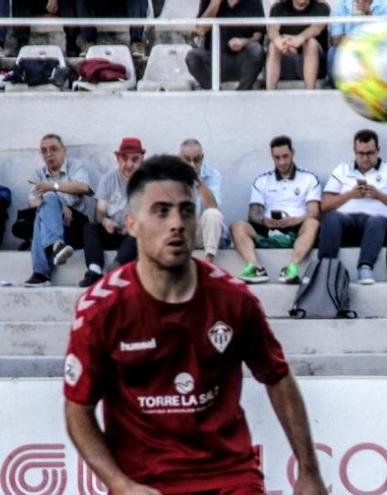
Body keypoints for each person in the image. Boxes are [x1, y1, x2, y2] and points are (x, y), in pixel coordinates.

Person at [63, 155, 327, 494]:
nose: (176, 223)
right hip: (146, 485)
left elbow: (277, 377)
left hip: (229, 478)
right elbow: (78, 410)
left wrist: (309, 471)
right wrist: (120, 484)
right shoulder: (101, 309)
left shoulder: (234, 299)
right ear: (131, 224)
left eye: (186, 211)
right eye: (161, 211)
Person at [318, 129, 387, 284]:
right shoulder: (342, 169)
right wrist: (349, 195)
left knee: (376, 221)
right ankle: (326, 268)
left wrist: (379, 195)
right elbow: (324, 205)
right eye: (361, 153)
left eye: (370, 153)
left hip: (377, 219)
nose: (366, 158)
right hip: (345, 218)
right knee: (331, 218)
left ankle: (365, 267)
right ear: (354, 151)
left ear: (378, 150)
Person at [231, 135, 321, 284]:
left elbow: (314, 211)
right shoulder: (262, 180)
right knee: (237, 226)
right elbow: (253, 213)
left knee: (312, 223)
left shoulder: (309, 178)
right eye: (277, 157)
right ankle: (255, 267)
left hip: (297, 229)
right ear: (272, 157)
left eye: (285, 156)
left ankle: (292, 267)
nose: (282, 162)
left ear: (293, 153)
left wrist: (294, 220)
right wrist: (264, 221)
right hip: (268, 229)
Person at [24, 134, 95, 287]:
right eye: (44, 151)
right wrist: (58, 204)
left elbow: (84, 187)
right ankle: (57, 246)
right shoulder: (39, 174)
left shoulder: (75, 166)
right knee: (43, 208)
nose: (48, 154)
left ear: (64, 150)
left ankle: (41, 273)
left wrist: (52, 187)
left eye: (53, 149)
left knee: (46, 201)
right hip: (56, 228)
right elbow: (32, 202)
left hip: (75, 225)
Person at [78, 138, 144, 288]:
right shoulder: (108, 180)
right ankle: (94, 270)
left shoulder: (147, 182)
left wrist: (136, 224)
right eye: (125, 159)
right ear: (118, 159)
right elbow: (100, 212)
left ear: (141, 160)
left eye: (135, 160)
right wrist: (105, 221)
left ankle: (117, 267)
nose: (129, 164)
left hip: (133, 234)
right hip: (113, 231)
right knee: (90, 227)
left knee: (139, 232)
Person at [186, 0, 266, 90]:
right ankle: (214, 91)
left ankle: (242, 92)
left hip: (243, 59)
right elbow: (201, 30)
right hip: (215, 59)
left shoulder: (254, 2)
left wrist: (244, 42)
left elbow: (258, 35)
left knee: (256, 50)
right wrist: (215, 3)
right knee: (192, 56)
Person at [179, 138, 228, 263]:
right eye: (187, 159)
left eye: (196, 159)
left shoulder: (213, 175)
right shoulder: (171, 176)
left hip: (206, 233)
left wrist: (198, 181)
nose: (192, 164)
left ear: (202, 157)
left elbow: (212, 205)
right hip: (182, 233)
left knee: (213, 214)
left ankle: (209, 262)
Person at [266, 0, 330, 90]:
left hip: (315, 62)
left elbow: (317, 28)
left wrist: (300, 38)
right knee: (273, 45)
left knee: (310, 43)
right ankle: (270, 93)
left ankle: (310, 93)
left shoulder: (321, 7)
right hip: (287, 58)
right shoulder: (279, 7)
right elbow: (272, 29)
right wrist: (280, 41)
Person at [326, 0, 387, 87]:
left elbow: (386, 38)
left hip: (373, 48)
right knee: (333, 52)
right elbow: (335, 40)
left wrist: (368, 14)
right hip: (347, 48)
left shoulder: (384, 6)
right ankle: (335, 85)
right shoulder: (342, 5)